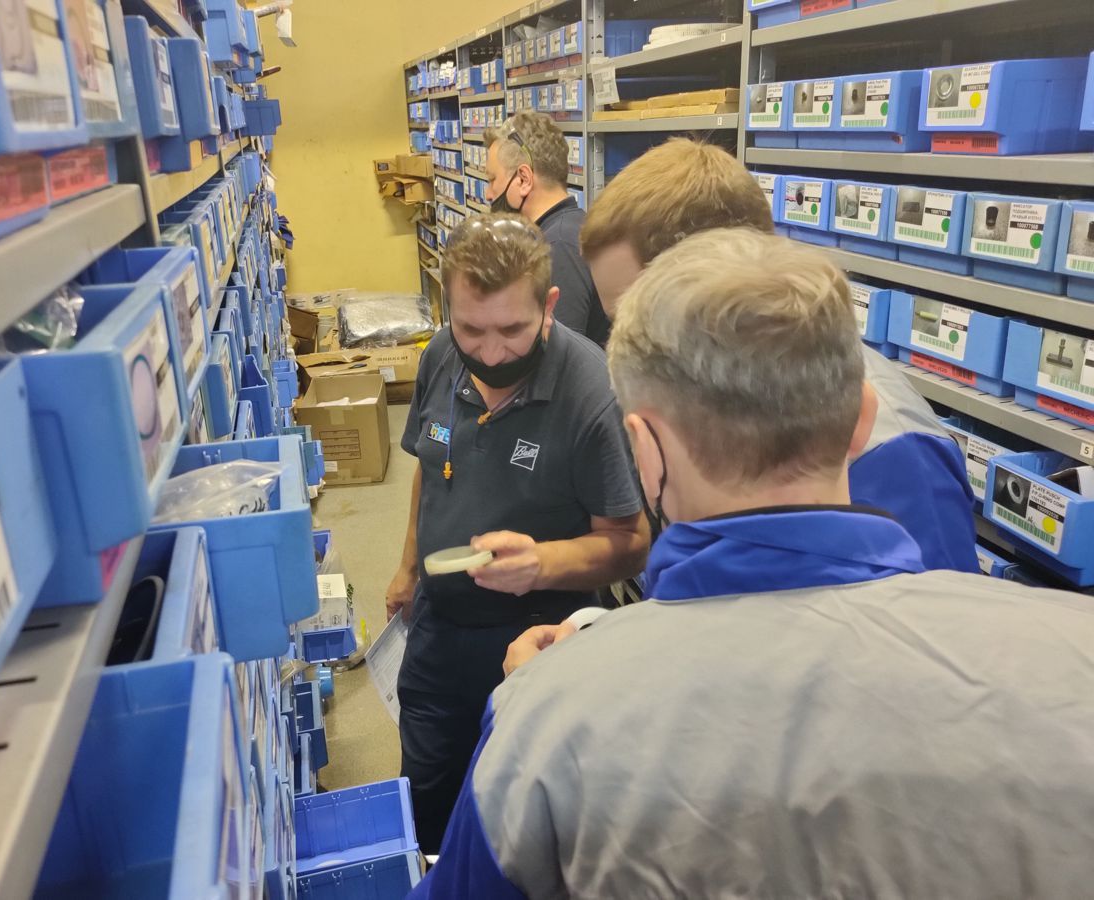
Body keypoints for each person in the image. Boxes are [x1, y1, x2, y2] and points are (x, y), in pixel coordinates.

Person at [412, 230, 1094, 898]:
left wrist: (553, 691)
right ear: (862, 421)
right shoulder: (1075, 650)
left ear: (644, 451)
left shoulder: (545, 720)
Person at [579, 138, 978, 573]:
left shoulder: (895, 452)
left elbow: (926, 607)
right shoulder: (705, 403)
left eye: (633, 321)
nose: (623, 347)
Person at [386, 213, 648, 854]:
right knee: (427, 802)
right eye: (470, 328)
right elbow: (430, 467)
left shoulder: (592, 391)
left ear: (549, 306)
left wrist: (542, 563)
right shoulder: (440, 356)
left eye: (512, 330)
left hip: (541, 641)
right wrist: (409, 567)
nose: (491, 353)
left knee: (526, 827)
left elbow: (631, 540)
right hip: (438, 632)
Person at [483, 112, 609, 345]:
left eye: (492, 180)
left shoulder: (558, 247)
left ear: (523, 179)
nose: (489, 194)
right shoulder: (569, 227)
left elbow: (558, 354)